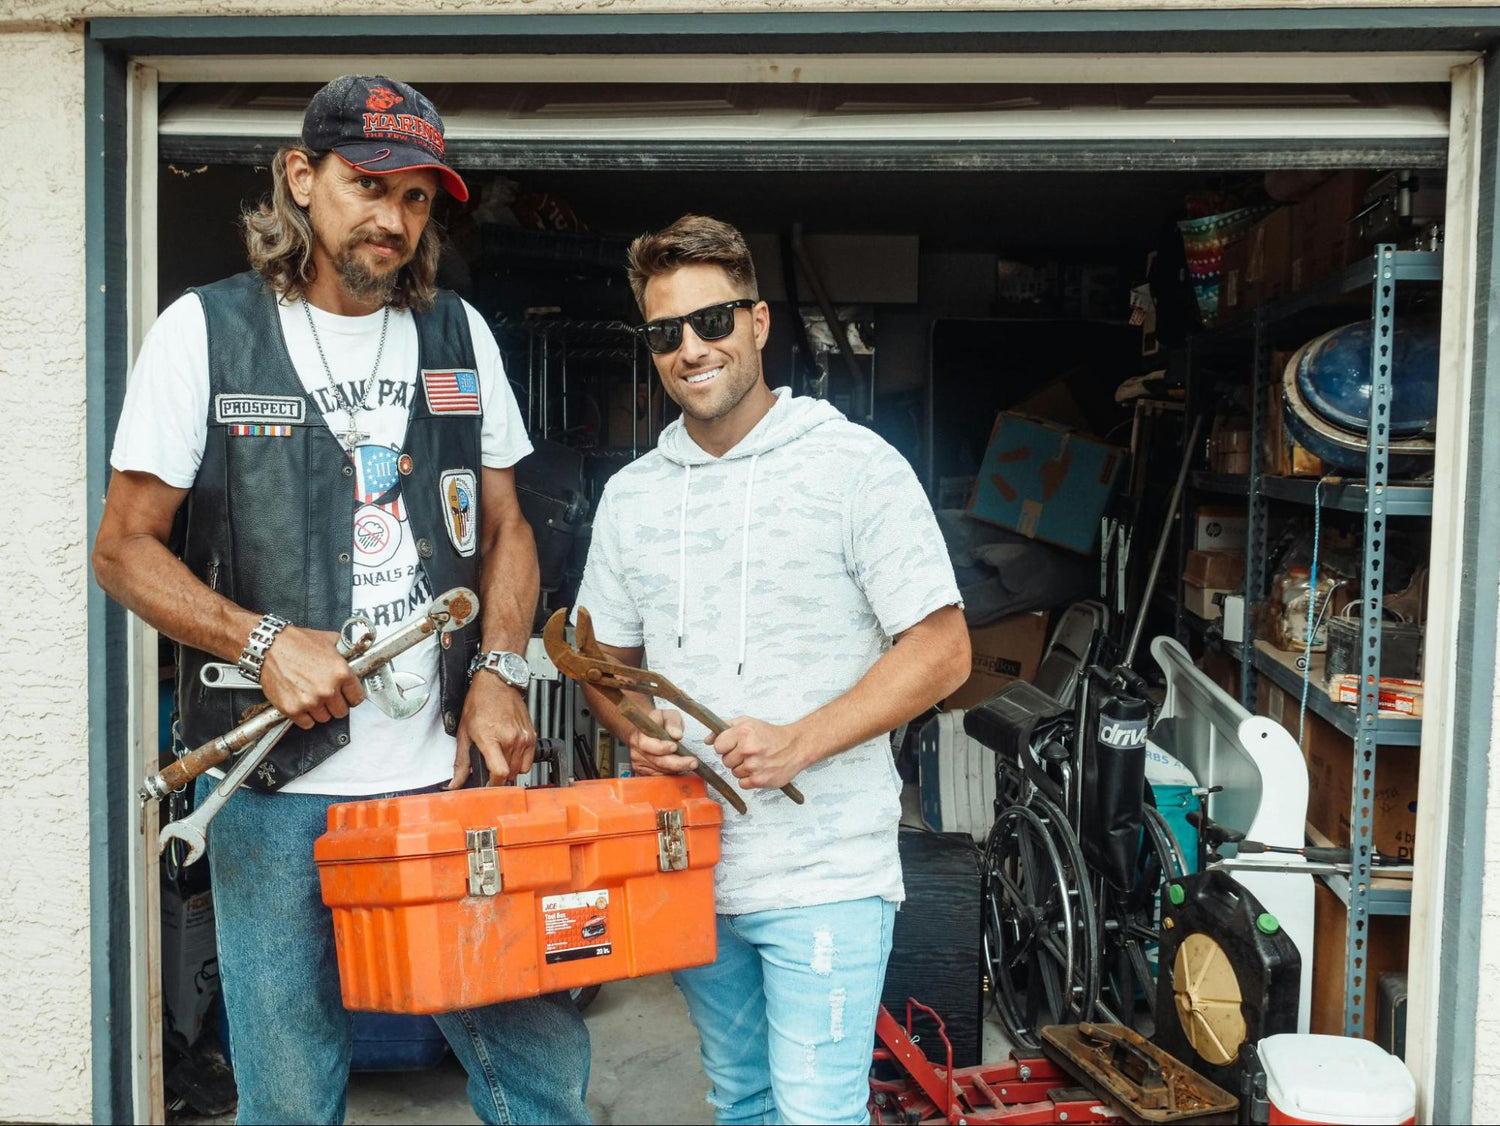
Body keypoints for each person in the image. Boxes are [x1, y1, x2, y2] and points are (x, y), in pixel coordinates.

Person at [92, 75, 590, 1126]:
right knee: (288, 1089)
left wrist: (500, 673)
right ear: (301, 177)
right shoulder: (207, 333)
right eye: (370, 185)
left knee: (534, 1063)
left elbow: (506, 528)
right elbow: (124, 550)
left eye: (417, 199)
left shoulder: (459, 335)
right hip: (272, 791)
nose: (394, 219)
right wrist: (263, 637)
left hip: (444, 780)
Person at [573, 214, 971, 1125]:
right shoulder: (633, 498)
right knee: (741, 1100)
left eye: (712, 322)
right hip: (692, 865)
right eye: (665, 333)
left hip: (824, 868)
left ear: (758, 323)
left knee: (816, 1113)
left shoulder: (853, 468)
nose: (691, 350)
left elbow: (943, 649)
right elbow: (605, 665)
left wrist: (800, 741)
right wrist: (638, 731)